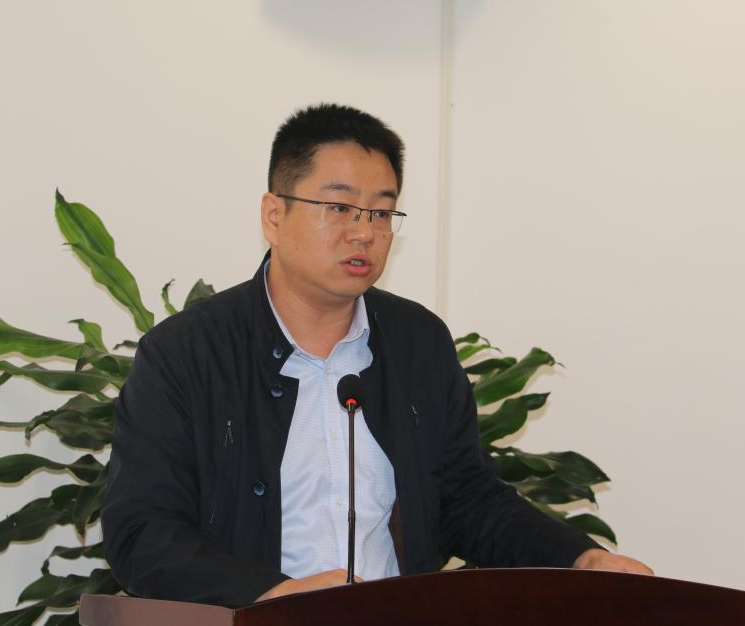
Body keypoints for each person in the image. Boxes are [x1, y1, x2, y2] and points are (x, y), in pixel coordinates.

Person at [101, 104, 652, 608]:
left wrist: (580, 558)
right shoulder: (186, 353)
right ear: (274, 215)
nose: (363, 232)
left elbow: (467, 498)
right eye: (339, 207)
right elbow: (142, 532)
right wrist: (276, 597)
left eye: (382, 213)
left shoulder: (418, 343)